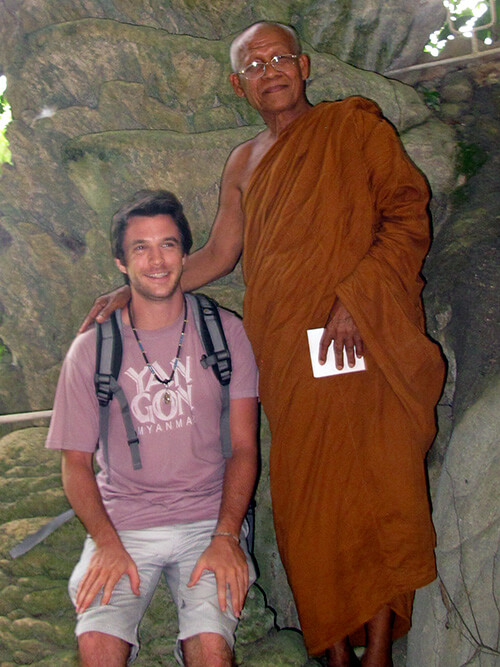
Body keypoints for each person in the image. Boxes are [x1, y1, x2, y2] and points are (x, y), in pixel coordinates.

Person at [80, 22, 445, 667]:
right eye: (254, 64)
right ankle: (335, 651)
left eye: (280, 58)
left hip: (349, 336)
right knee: (308, 501)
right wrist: (142, 287)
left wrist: (358, 297)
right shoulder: (244, 162)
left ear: (303, 66)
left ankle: (381, 651)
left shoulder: (354, 128)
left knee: (373, 482)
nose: (269, 69)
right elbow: (221, 252)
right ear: (237, 83)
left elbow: (406, 211)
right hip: (282, 350)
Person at [46, 189, 259, 666]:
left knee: (211, 650)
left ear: (185, 253)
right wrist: (104, 541)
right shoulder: (90, 351)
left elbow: (244, 448)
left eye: (167, 244)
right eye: (140, 247)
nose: (156, 259)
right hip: (123, 521)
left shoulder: (227, 333)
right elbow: (75, 463)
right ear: (121, 262)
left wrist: (227, 536)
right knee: (96, 647)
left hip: (207, 518)